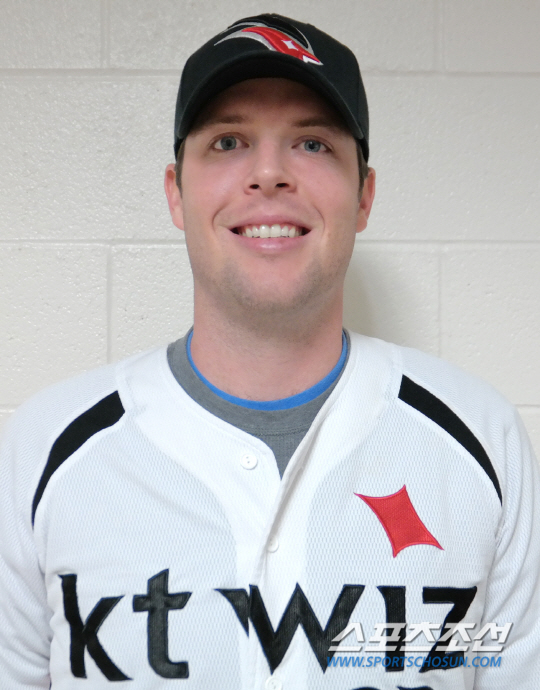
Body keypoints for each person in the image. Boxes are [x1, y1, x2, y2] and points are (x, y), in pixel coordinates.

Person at [0, 13, 538, 690]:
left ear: (364, 196)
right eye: (228, 141)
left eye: (312, 143)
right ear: (176, 192)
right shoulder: (46, 450)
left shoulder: (480, 441)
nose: (268, 173)